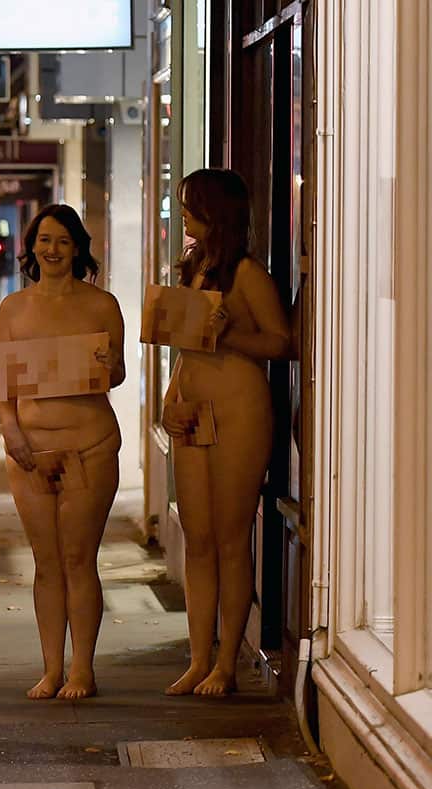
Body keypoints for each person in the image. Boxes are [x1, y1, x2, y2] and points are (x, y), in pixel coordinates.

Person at [162, 169, 290, 697]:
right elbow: (185, 345)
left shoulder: (248, 275)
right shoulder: (193, 269)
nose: (185, 216)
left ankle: (228, 664)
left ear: (217, 213)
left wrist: (231, 332)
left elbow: (283, 342)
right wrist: (171, 392)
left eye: (191, 207)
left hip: (239, 408)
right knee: (197, 535)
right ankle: (198, 658)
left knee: (232, 537)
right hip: (192, 406)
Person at [0, 204, 125, 700]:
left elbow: (115, 375)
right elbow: (3, 384)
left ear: (77, 249)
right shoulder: (13, 307)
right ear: (32, 247)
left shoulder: (101, 304)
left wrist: (110, 364)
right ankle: (51, 667)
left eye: (63, 242)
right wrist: (13, 433)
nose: (52, 250)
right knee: (45, 561)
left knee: (78, 557)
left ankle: (82, 669)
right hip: (30, 450)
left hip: (88, 443)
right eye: (44, 240)